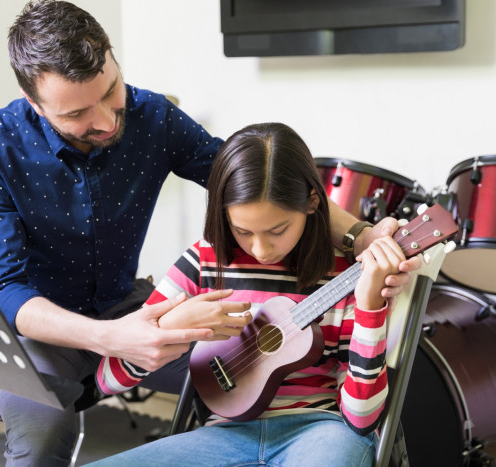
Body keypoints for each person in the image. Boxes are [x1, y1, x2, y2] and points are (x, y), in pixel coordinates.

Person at [0, 1, 419, 465]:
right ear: (34, 105)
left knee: (245, 368)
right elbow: (5, 288)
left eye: (111, 91)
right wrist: (110, 339)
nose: (104, 120)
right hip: (44, 330)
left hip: (127, 304)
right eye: (78, 113)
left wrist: (360, 234)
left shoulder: (154, 117)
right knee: (39, 442)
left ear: (113, 58)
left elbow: (249, 177)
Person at [90, 122, 403, 467]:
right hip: (222, 435)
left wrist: (370, 306)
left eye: (278, 229)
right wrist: (167, 329)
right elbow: (108, 379)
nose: (260, 248)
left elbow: (361, 420)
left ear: (312, 202)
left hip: (321, 431)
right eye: (242, 231)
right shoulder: (204, 262)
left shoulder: (348, 274)